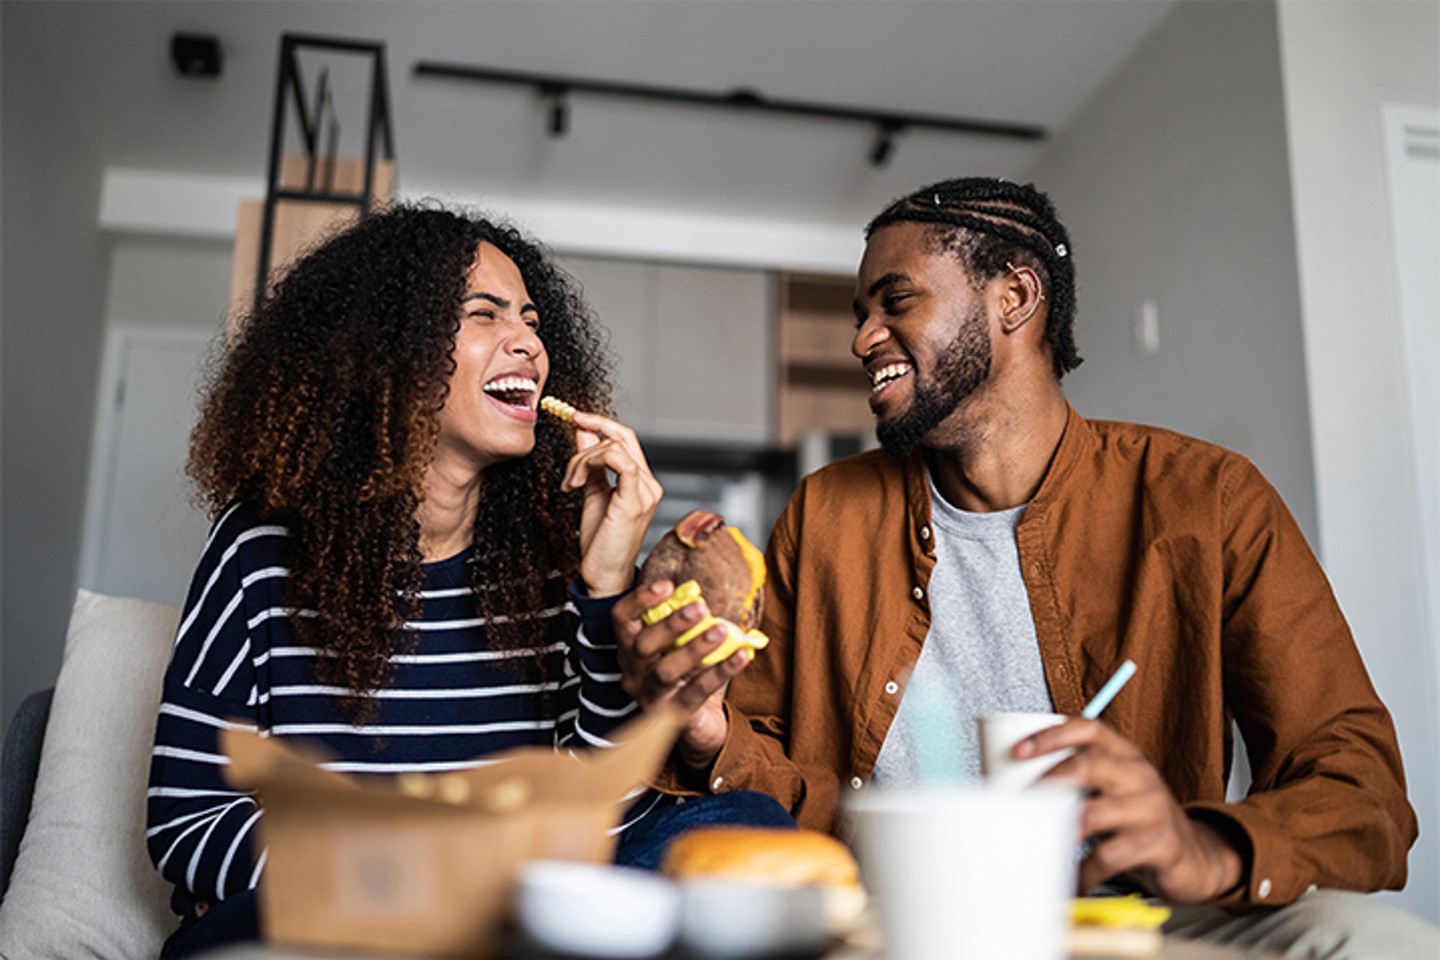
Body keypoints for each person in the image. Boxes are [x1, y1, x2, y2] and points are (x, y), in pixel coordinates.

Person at [615, 178, 1437, 955]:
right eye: (860, 314)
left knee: (1375, 942)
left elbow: (1360, 787)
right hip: (882, 906)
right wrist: (707, 724)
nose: (862, 339)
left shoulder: (1208, 499)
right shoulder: (826, 511)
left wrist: (1205, 848)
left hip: (1128, 911)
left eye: (894, 302)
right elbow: (771, 781)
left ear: (1014, 297)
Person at [147, 205, 791, 959]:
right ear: (390, 352)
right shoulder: (263, 548)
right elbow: (188, 823)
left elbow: (603, 826)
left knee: (744, 824)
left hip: (515, 911)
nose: (528, 343)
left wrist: (606, 581)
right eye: (484, 315)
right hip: (347, 911)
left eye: (531, 321)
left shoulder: (551, 560)